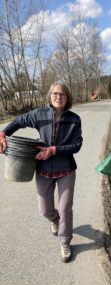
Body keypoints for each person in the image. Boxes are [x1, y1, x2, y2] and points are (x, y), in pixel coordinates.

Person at [0, 81, 83, 262]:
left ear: (67, 97)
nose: (58, 97)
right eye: (55, 93)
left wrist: (53, 150)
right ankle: (55, 220)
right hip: (43, 170)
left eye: (62, 94)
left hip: (66, 170)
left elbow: (77, 145)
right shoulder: (39, 115)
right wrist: (3, 133)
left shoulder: (74, 119)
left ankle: (65, 242)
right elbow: (18, 121)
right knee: (45, 210)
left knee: (65, 208)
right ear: (50, 96)